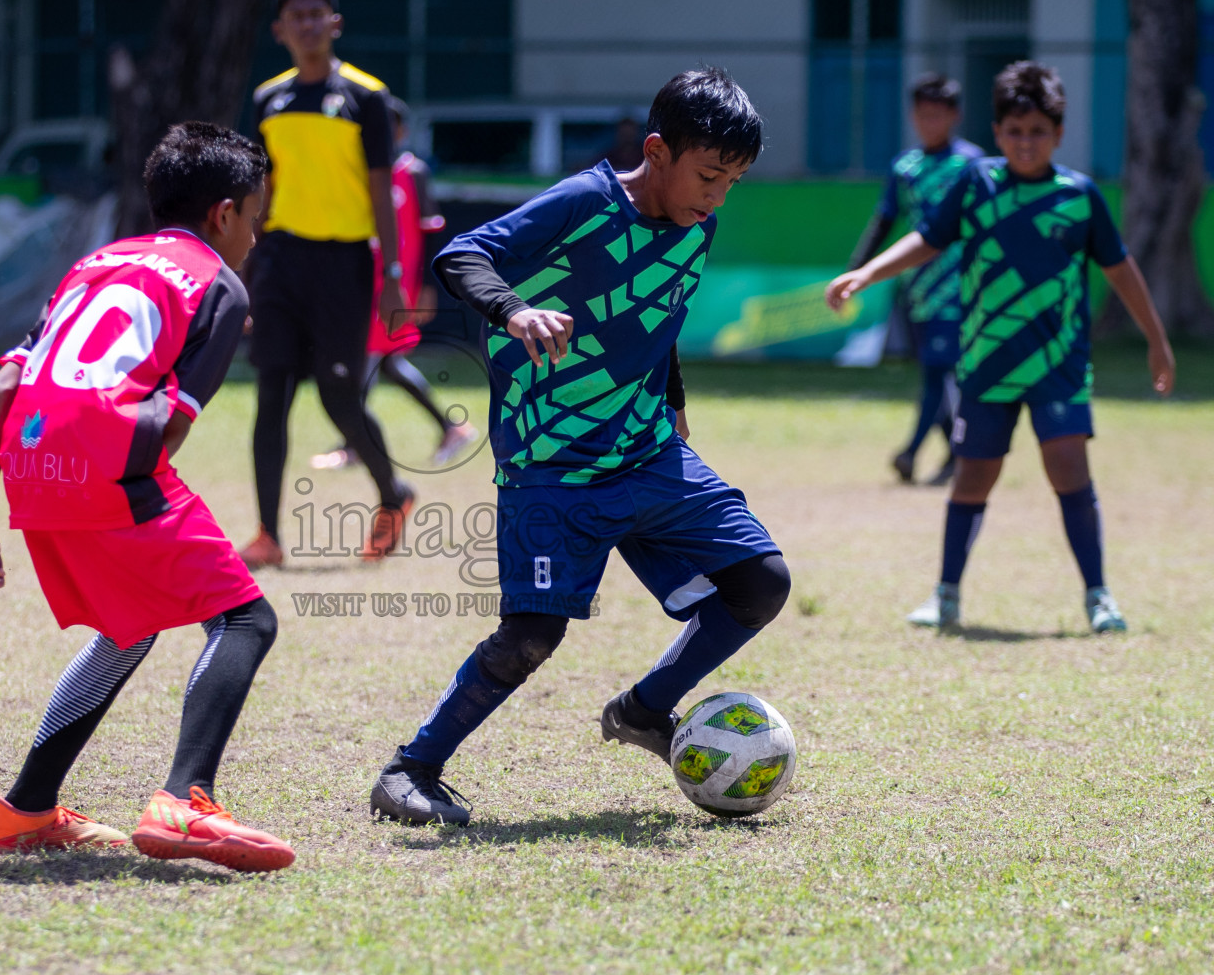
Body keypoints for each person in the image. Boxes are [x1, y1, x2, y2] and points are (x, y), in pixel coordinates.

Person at [368, 69, 792, 825]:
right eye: (708, 175)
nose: (717, 196)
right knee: (531, 635)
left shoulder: (699, 224)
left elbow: (660, 315)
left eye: (733, 181)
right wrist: (517, 311)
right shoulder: (585, 201)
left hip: (646, 450)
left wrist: (675, 402)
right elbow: (461, 257)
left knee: (760, 582)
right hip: (551, 465)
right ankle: (412, 768)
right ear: (657, 152)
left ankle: (643, 710)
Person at [0, 122, 294, 871]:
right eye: (257, 216)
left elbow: (5, 382)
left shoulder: (95, 261)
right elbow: (167, 430)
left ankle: (24, 811)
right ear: (224, 214)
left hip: (27, 465)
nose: (257, 236)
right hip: (109, 466)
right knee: (246, 618)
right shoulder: (221, 286)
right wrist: (120, 479)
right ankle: (186, 799)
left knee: (128, 625)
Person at [827, 61, 1175, 634]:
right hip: (987, 365)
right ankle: (946, 595)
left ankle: (1099, 596)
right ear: (997, 132)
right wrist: (868, 273)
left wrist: (1157, 342)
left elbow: (1122, 270)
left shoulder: (1078, 197)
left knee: (1069, 471)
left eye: (1038, 131)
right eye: (1014, 131)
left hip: (1058, 364)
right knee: (972, 478)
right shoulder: (977, 185)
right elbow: (926, 240)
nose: (1026, 142)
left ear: (1058, 134)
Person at [239, 0, 415, 570]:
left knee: (339, 395)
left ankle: (394, 497)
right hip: (281, 261)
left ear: (334, 23)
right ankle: (267, 533)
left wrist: (392, 274)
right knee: (271, 397)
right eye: (298, 16)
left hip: (344, 262)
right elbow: (264, 188)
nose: (309, 25)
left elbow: (380, 189)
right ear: (279, 29)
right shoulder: (268, 99)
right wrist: (246, 265)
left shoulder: (366, 97)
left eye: (318, 14)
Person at [310, 96, 476, 472]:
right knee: (384, 361)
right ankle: (450, 428)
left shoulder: (412, 171)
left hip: (397, 285)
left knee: (368, 358)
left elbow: (432, 232)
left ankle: (353, 444)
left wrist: (430, 286)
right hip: (365, 282)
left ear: (399, 130)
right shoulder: (364, 172)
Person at [848, 74, 983, 485]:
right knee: (933, 373)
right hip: (917, 288)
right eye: (923, 116)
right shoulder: (905, 166)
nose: (929, 123)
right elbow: (885, 220)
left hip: (960, 287)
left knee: (940, 370)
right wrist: (858, 268)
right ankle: (958, 456)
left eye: (938, 116)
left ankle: (912, 452)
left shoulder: (973, 164)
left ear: (955, 116)